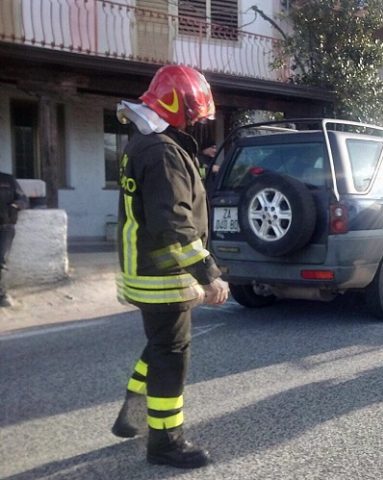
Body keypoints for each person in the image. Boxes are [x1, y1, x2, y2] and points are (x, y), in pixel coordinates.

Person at [110, 65, 229, 469]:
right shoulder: (162, 152)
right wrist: (208, 274)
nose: (196, 122)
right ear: (178, 107)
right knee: (170, 355)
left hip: (144, 269)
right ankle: (165, 442)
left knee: (159, 344)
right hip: (163, 274)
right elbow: (174, 225)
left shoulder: (143, 144)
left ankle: (131, 418)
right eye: (193, 114)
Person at [0, 171, 28, 307]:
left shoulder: (8, 180)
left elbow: (23, 199)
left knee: (1, 260)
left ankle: (2, 295)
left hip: (5, 226)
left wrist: (15, 206)